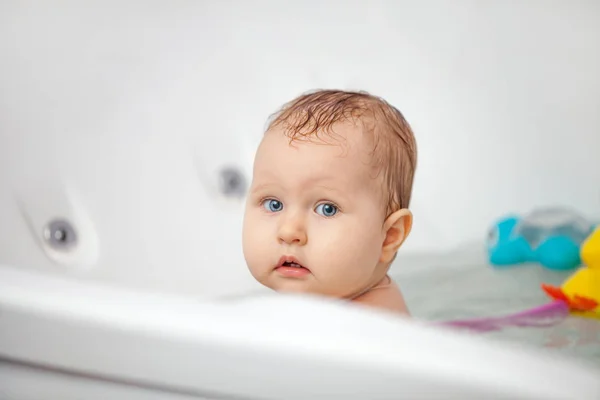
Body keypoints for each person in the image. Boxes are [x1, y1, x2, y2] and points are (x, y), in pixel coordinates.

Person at [242, 89, 417, 315]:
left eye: (327, 209)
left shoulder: (370, 326)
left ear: (389, 236)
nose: (288, 231)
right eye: (273, 204)